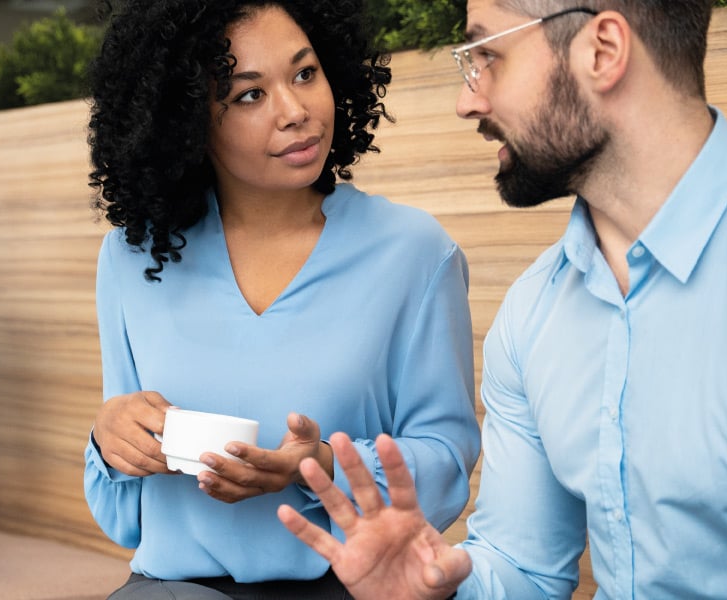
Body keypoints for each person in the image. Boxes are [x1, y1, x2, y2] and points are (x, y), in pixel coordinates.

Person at [278, 0, 727, 598]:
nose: (468, 101)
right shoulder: (534, 312)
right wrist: (438, 589)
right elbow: (524, 567)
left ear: (602, 51)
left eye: (487, 56)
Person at [84, 1, 481, 597]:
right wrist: (108, 440)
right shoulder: (133, 256)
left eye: (304, 74)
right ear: (187, 118)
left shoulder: (414, 252)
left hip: (350, 585)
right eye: (249, 95)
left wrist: (319, 466)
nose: (296, 112)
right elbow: (121, 519)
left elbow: (446, 464)